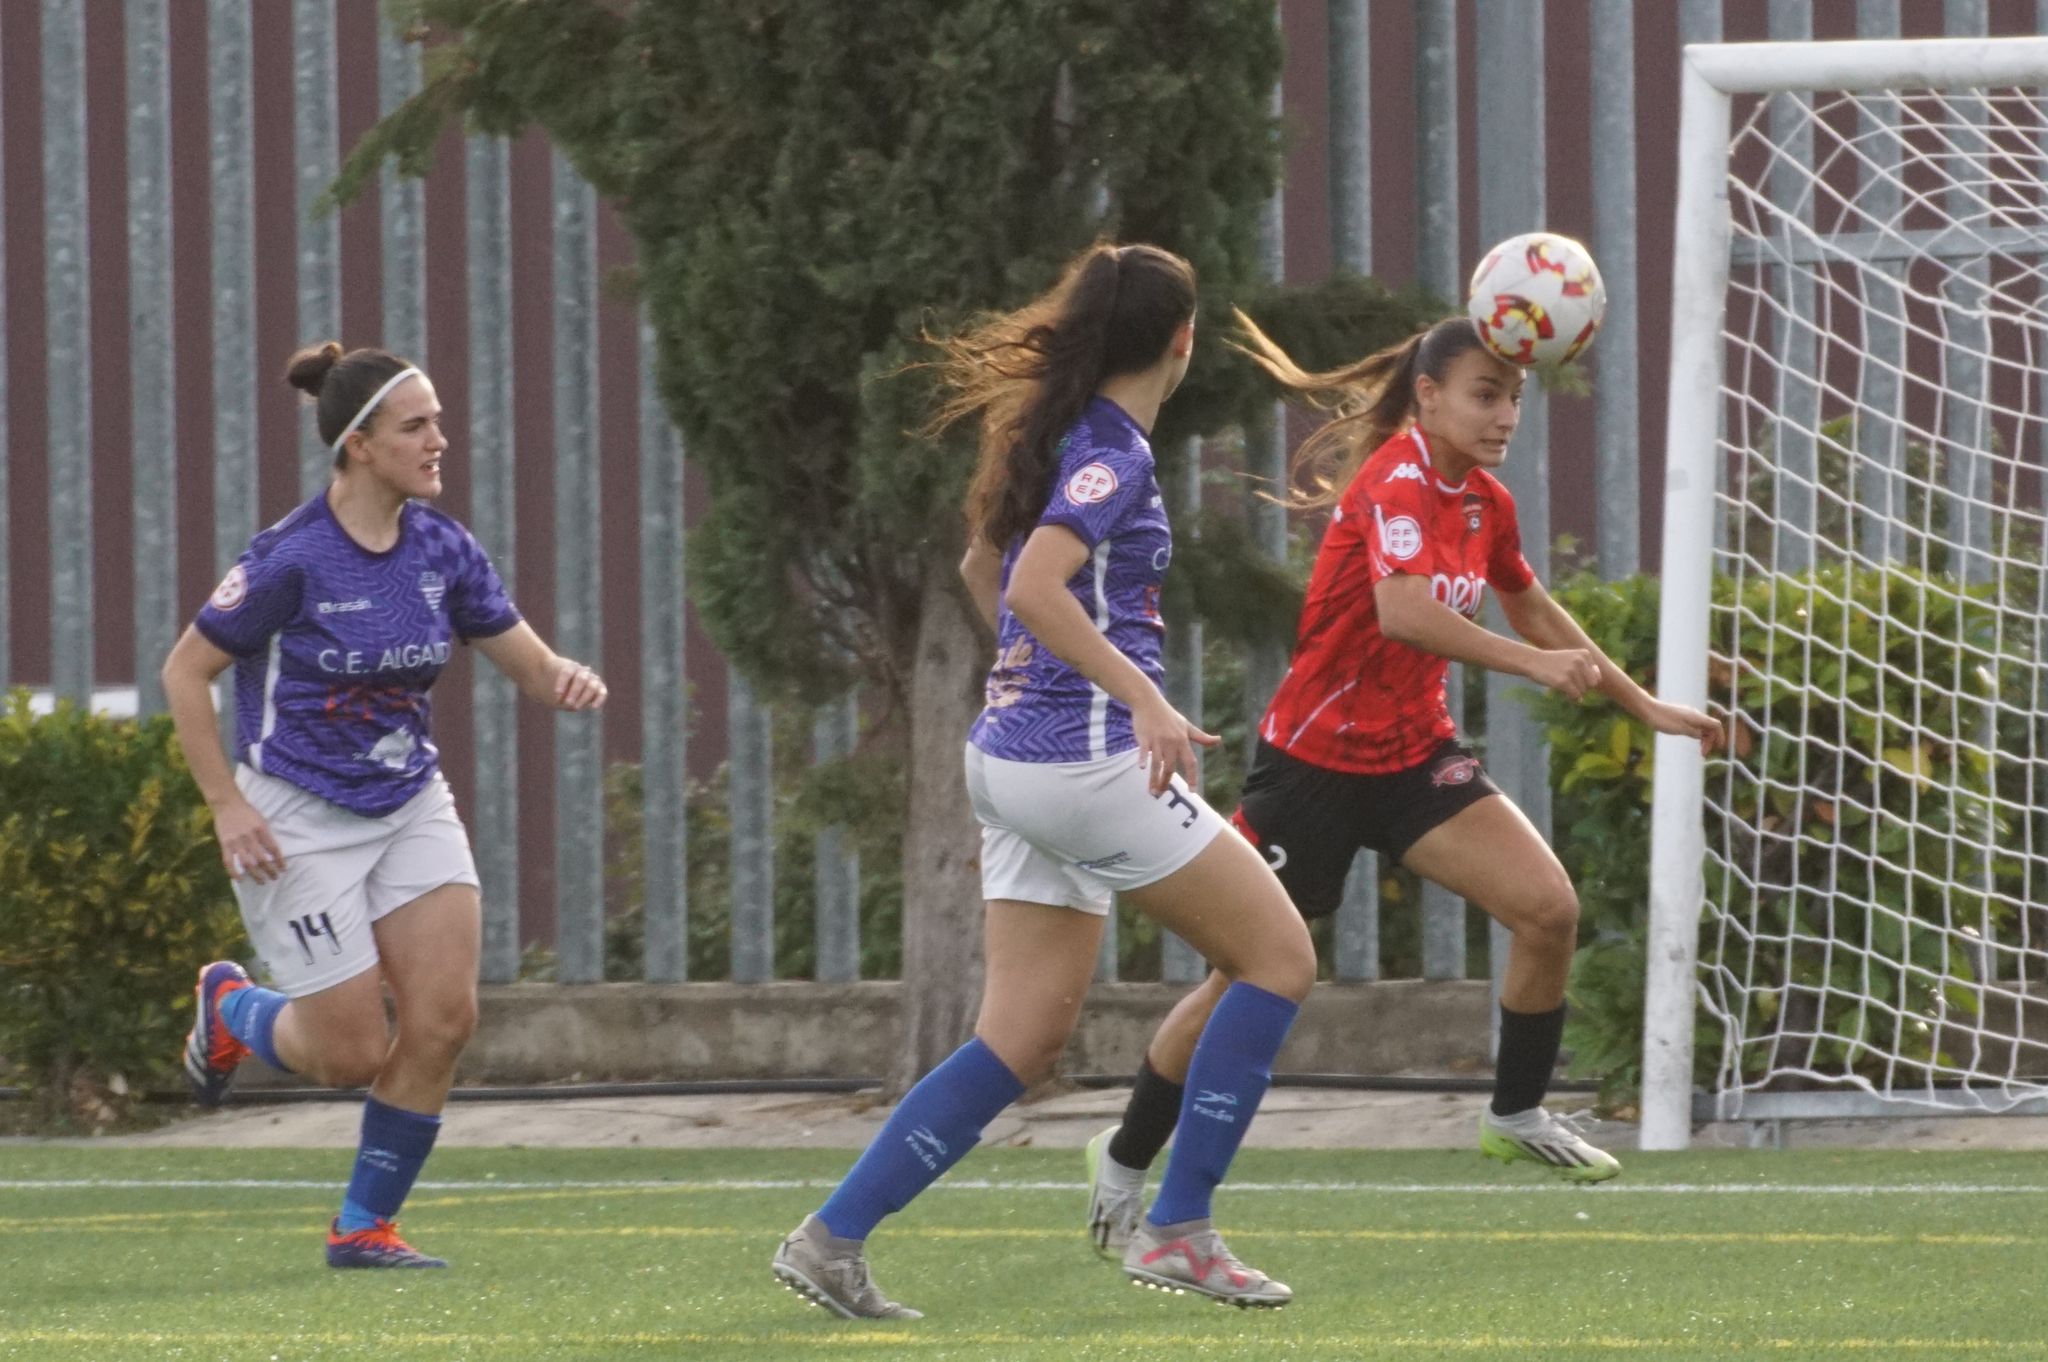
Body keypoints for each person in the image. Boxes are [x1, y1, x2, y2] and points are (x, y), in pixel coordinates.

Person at [1083, 313, 1726, 1249]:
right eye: (1484, 393)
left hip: (1413, 755)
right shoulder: (1397, 479)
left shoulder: (1484, 501)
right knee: (1238, 981)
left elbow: (1531, 603)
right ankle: (1122, 1164)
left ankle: (1513, 1118)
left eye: (1514, 395)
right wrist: (1532, 667)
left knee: (1547, 910)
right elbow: (1405, 614)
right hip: (1312, 767)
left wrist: (1648, 705)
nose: (1505, 414)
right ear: (1428, 396)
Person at [770, 244, 1316, 1318]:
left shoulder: (1058, 438)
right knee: (1276, 956)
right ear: (1180, 340)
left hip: (1010, 762)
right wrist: (1139, 701)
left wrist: (1032, 677)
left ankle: (830, 1240)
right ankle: (1180, 1231)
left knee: (1018, 1041)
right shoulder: (1112, 454)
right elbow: (1029, 579)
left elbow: (987, 572)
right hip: (1081, 765)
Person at [166, 342, 608, 1269]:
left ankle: (363, 1227)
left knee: (445, 1020)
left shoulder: (444, 548)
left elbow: (525, 660)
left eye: (439, 420)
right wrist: (226, 806)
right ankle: (233, 1009)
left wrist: (565, 678)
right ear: (360, 445)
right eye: (418, 426)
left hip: (409, 802)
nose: (440, 439)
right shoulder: (290, 558)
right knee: (348, 1056)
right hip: (296, 816)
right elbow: (185, 671)